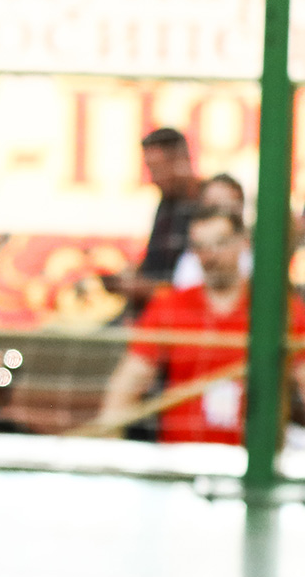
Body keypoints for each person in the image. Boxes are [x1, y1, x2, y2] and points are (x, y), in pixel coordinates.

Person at [99, 208, 305, 444]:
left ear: (243, 242)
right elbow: (129, 380)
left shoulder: (279, 310)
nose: (210, 256)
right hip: (181, 457)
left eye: (220, 243)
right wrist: (110, 444)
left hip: (253, 459)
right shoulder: (170, 306)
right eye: (200, 246)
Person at [108, 128, 202, 320]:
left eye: (157, 169)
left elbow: (196, 286)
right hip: (151, 314)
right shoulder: (166, 204)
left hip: (179, 318)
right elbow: (158, 262)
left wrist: (143, 288)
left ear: (181, 160)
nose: (153, 178)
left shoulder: (205, 206)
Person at [170, 174, 250, 290]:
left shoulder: (259, 262)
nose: (217, 211)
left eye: (224, 204)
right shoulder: (189, 263)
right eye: (211, 204)